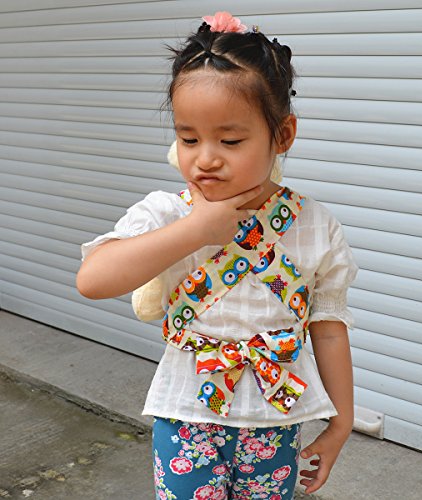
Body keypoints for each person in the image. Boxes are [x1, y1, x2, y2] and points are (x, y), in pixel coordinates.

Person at [77, 11, 358, 500]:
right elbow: (93, 279)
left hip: (275, 419)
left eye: (230, 140)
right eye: (188, 138)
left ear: (283, 135)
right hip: (187, 417)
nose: (205, 158)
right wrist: (194, 231)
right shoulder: (168, 212)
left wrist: (341, 422)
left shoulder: (315, 226)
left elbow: (329, 327)